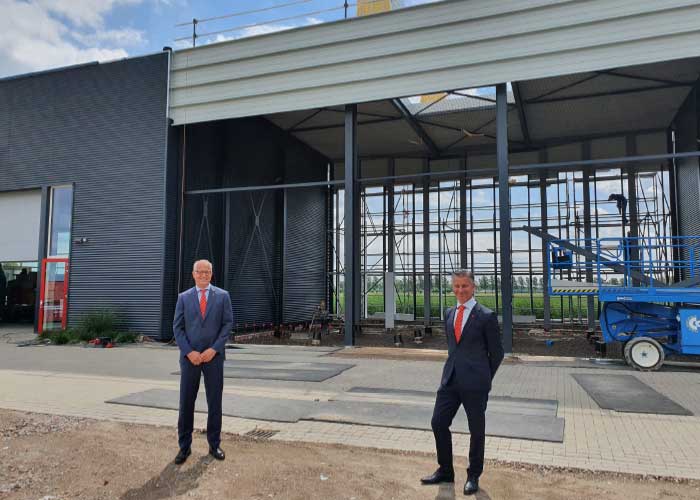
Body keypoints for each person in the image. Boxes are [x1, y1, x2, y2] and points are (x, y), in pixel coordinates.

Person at [421, 270, 504, 495]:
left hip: (475, 384)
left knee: (476, 430)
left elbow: (497, 353)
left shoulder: (486, 316)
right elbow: (453, 348)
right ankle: (445, 470)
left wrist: (484, 377)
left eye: (464, 286)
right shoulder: (449, 313)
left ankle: (473, 475)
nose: (460, 290)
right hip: (450, 381)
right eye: (456, 286)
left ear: (473, 287)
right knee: (438, 422)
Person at [173, 259, 233, 465]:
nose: (203, 275)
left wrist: (214, 349)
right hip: (190, 359)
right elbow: (178, 328)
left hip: (213, 358)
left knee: (214, 402)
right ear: (193, 274)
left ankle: (214, 444)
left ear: (211, 274)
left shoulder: (223, 296)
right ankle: (184, 447)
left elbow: (227, 325)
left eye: (207, 272)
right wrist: (189, 352)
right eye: (200, 271)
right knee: (186, 402)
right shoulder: (183, 298)